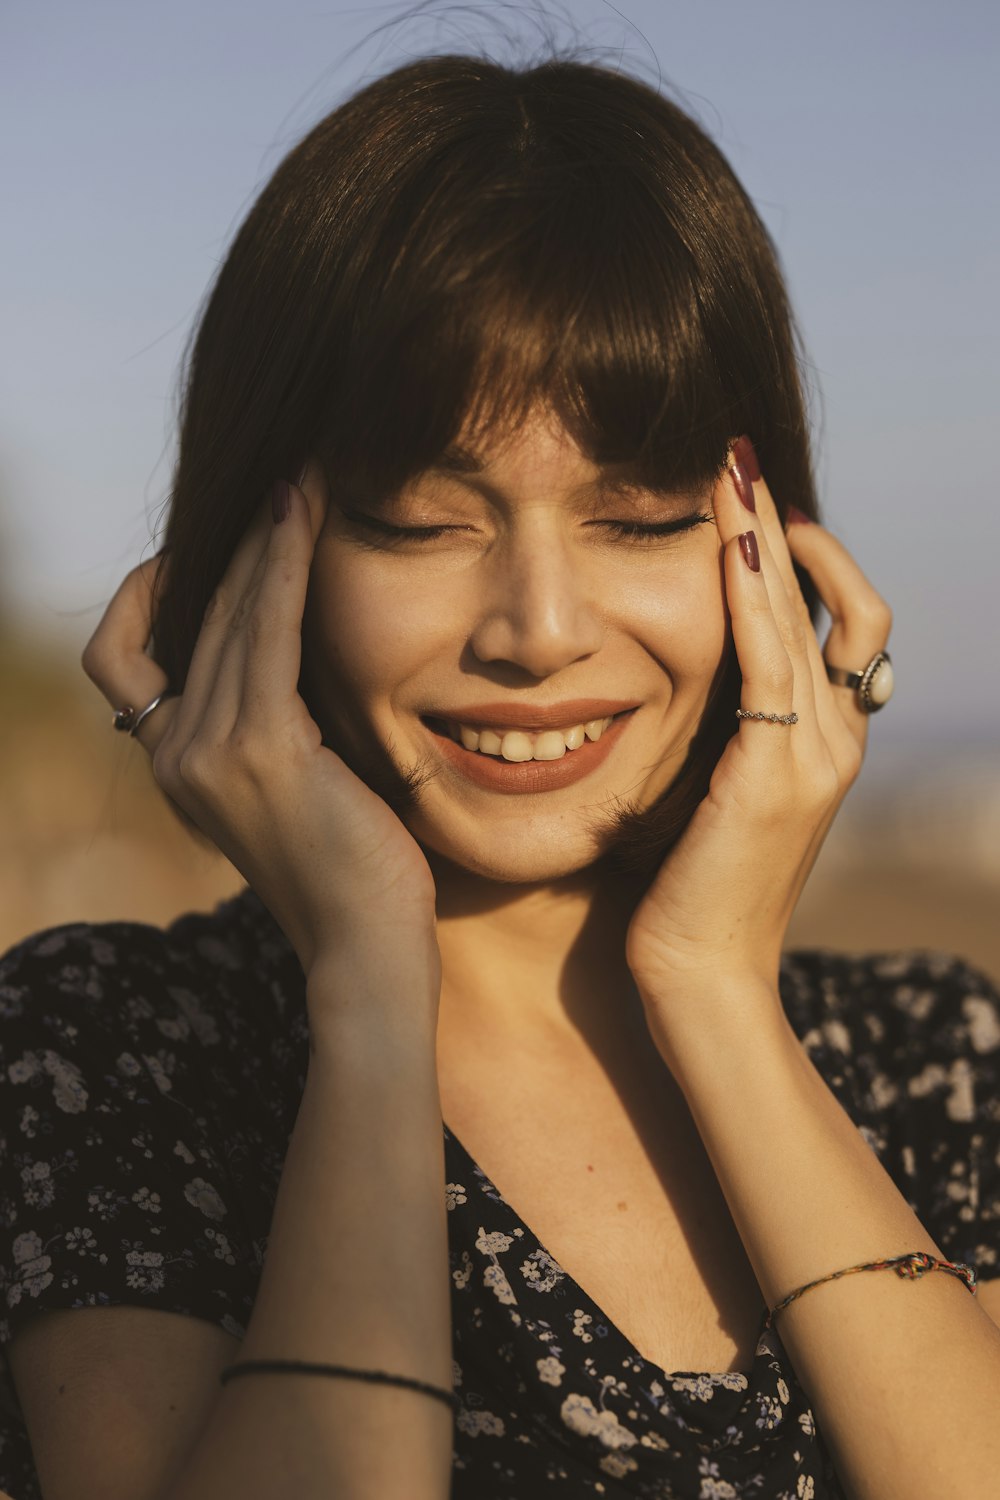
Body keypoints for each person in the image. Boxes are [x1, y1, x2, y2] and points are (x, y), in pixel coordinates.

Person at [1, 46, 998, 1500]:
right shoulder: (107, 1050)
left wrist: (716, 984)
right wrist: (370, 999)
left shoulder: (936, 1055)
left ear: (767, 554)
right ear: (264, 555)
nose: (539, 632)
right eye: (421, 522)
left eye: (641, 516)